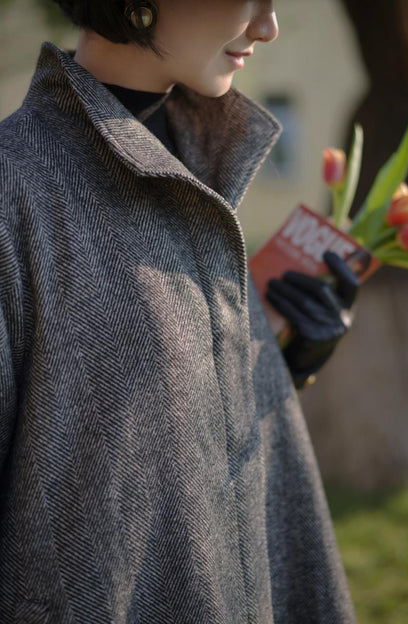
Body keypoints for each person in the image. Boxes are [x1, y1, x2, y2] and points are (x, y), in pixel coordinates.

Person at [0, 1, 359, 621]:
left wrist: (285, 357)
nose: (268, 26)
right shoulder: (17, 188)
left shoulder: (205, 159)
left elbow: (148, 436)